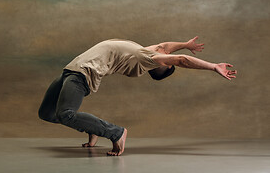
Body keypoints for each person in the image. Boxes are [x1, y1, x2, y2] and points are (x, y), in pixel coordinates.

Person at [38, 37, 237, 156]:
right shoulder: (144, 51)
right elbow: (166, 46)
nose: (165, 52)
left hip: (82, 74)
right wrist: (184, 43)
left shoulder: (145, 58)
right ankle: (93, 128)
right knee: (46, 113)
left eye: (167, 59)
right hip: (70, 70)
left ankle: (116, 133)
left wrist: (213, 66)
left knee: (66, 114)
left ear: (163, 65)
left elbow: (180, 60)